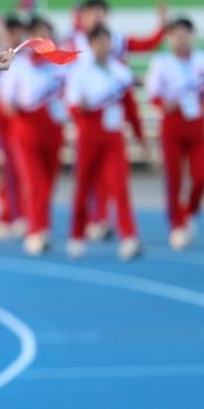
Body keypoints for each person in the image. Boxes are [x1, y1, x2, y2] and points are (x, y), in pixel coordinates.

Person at [64, 25, 141, 261]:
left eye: (106, 41)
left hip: (114, 135)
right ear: (90, 44)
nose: (102, 46)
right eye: (97, 41)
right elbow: (73, 106)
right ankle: (77, 235)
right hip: (89, 134)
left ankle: (128, 236)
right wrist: (82, 109)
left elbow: (130, 105)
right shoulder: (81, 72)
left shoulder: (120, 71)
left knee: (120, 186)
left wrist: (139, 134)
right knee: (84, 185)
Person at [145, 18, 204, 250]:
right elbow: (153, 93)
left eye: (185, 33)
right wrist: (163, 102)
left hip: (197, 125)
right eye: (176, 34)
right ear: (169, 38)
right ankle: (176, 224)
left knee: (202, 176)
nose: (181, 38)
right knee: (174, 178)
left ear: (192, 35)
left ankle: (188, 212)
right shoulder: (161, 62)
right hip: (172, 125)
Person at [0, 16, 69, 255]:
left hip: (54, 129)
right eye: (38, 36)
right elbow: (8, 105)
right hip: (26, 129)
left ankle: (39, 225)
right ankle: (37, 230)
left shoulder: (60, 64)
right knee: (34, 181)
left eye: (47, 35)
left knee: (49, 182)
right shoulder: (19, 65)